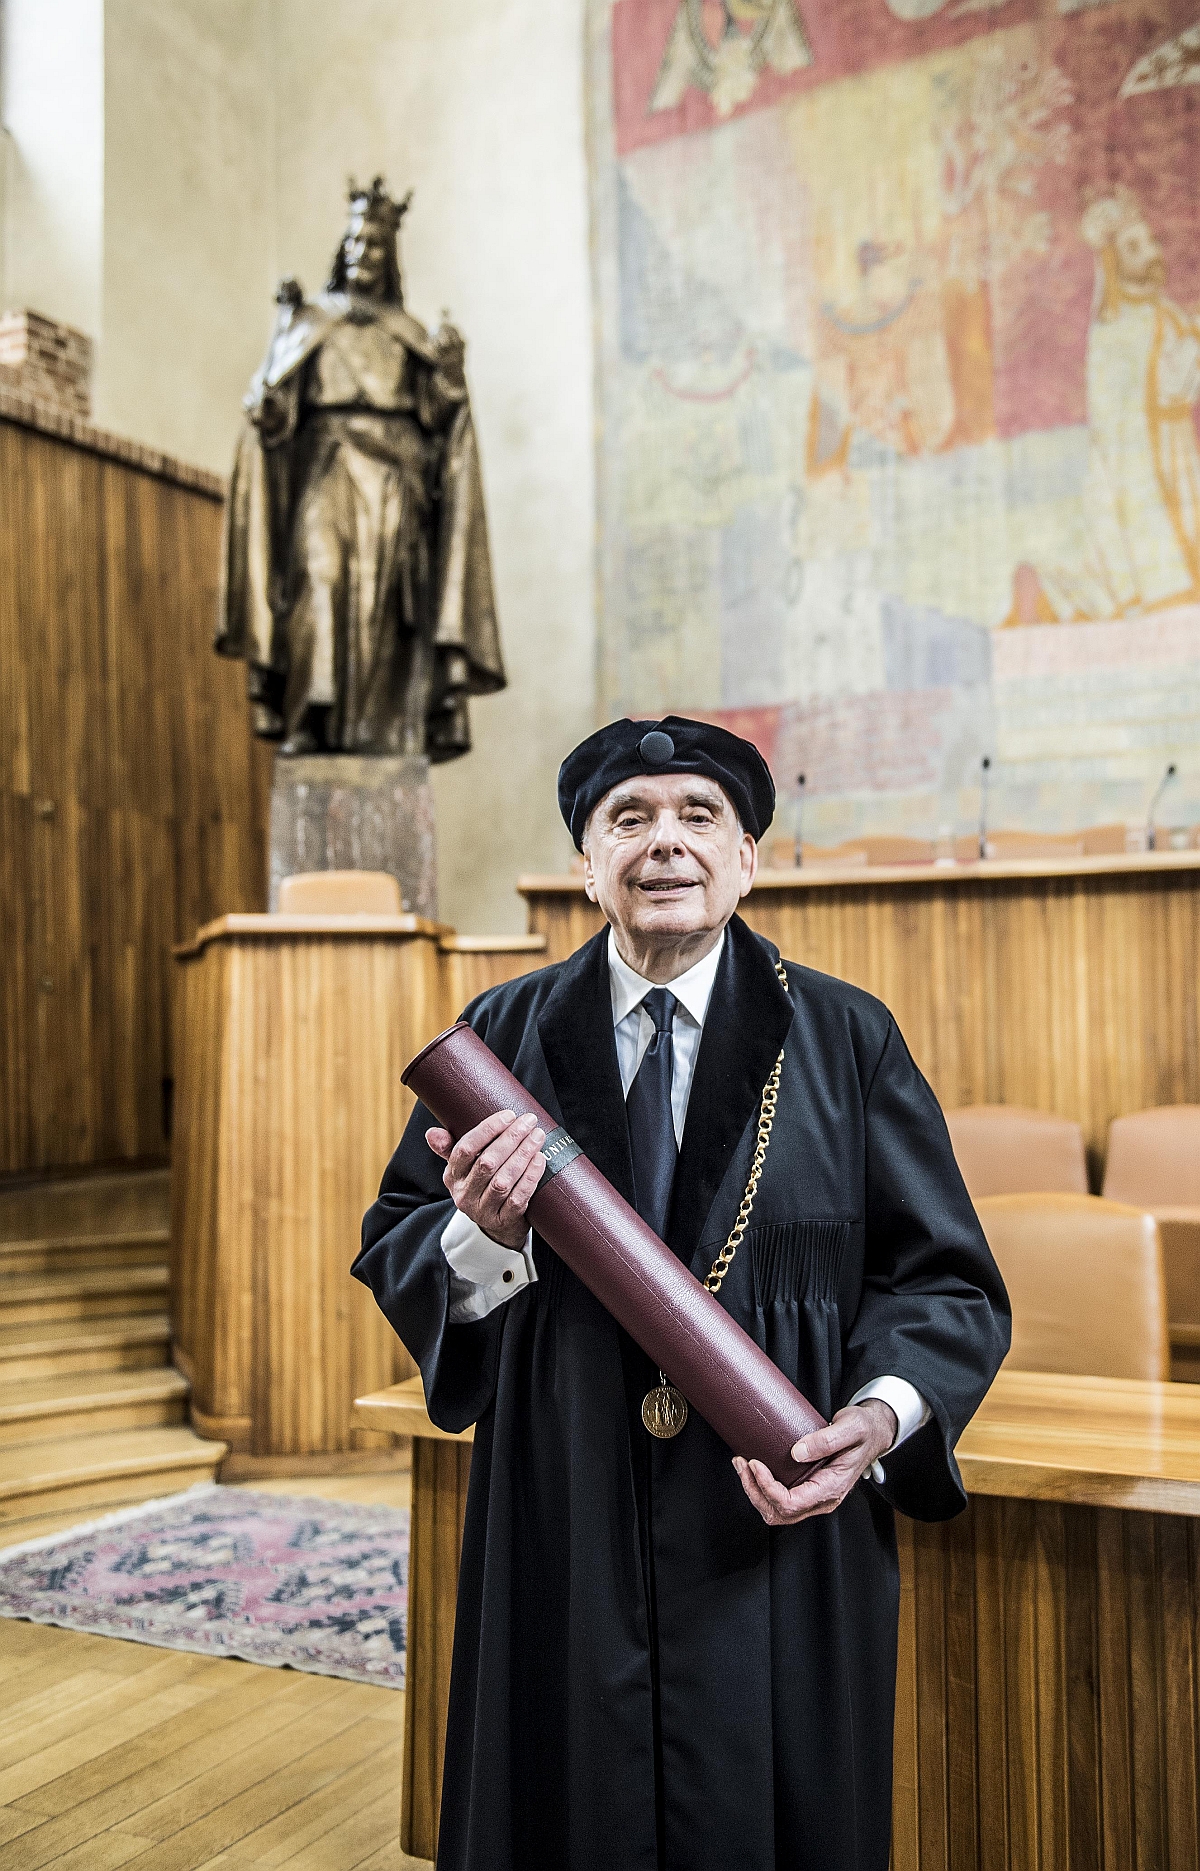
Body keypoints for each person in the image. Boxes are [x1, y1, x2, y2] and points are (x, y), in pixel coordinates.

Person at [353, 715, 1010, 1871]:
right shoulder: (498, 1040)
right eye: (629, 818)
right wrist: (480, 1232)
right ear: (586, 864)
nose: (665, 841)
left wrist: (878, 1418)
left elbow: (945, 1282)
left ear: (746, 859)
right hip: (566, 1510)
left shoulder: (846, 1036)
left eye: (699, 815)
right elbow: (397, 1244)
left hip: (776, 1524)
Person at [217, 176, 505, 757]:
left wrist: (451, 372)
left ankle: (384, 734)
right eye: (353, 241)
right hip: (325, 471)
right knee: (318, 580)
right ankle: (308, 719)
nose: (361, 253)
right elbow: (276, 415)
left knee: (384, 611)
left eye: (373, 244)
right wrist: (269, 398)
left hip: (397, 480)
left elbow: (441, 420)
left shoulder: (409, 334)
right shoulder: (310, 323)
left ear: (389, 254)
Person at [1012, 188, 1200, 625]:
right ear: (1113, 260)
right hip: (1138, 464)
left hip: (1174, 451)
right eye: (1135, 247)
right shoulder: (1115, 329)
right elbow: (1167, 388)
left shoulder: (1165, 312)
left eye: (1150, 242)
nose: (1151, 253)